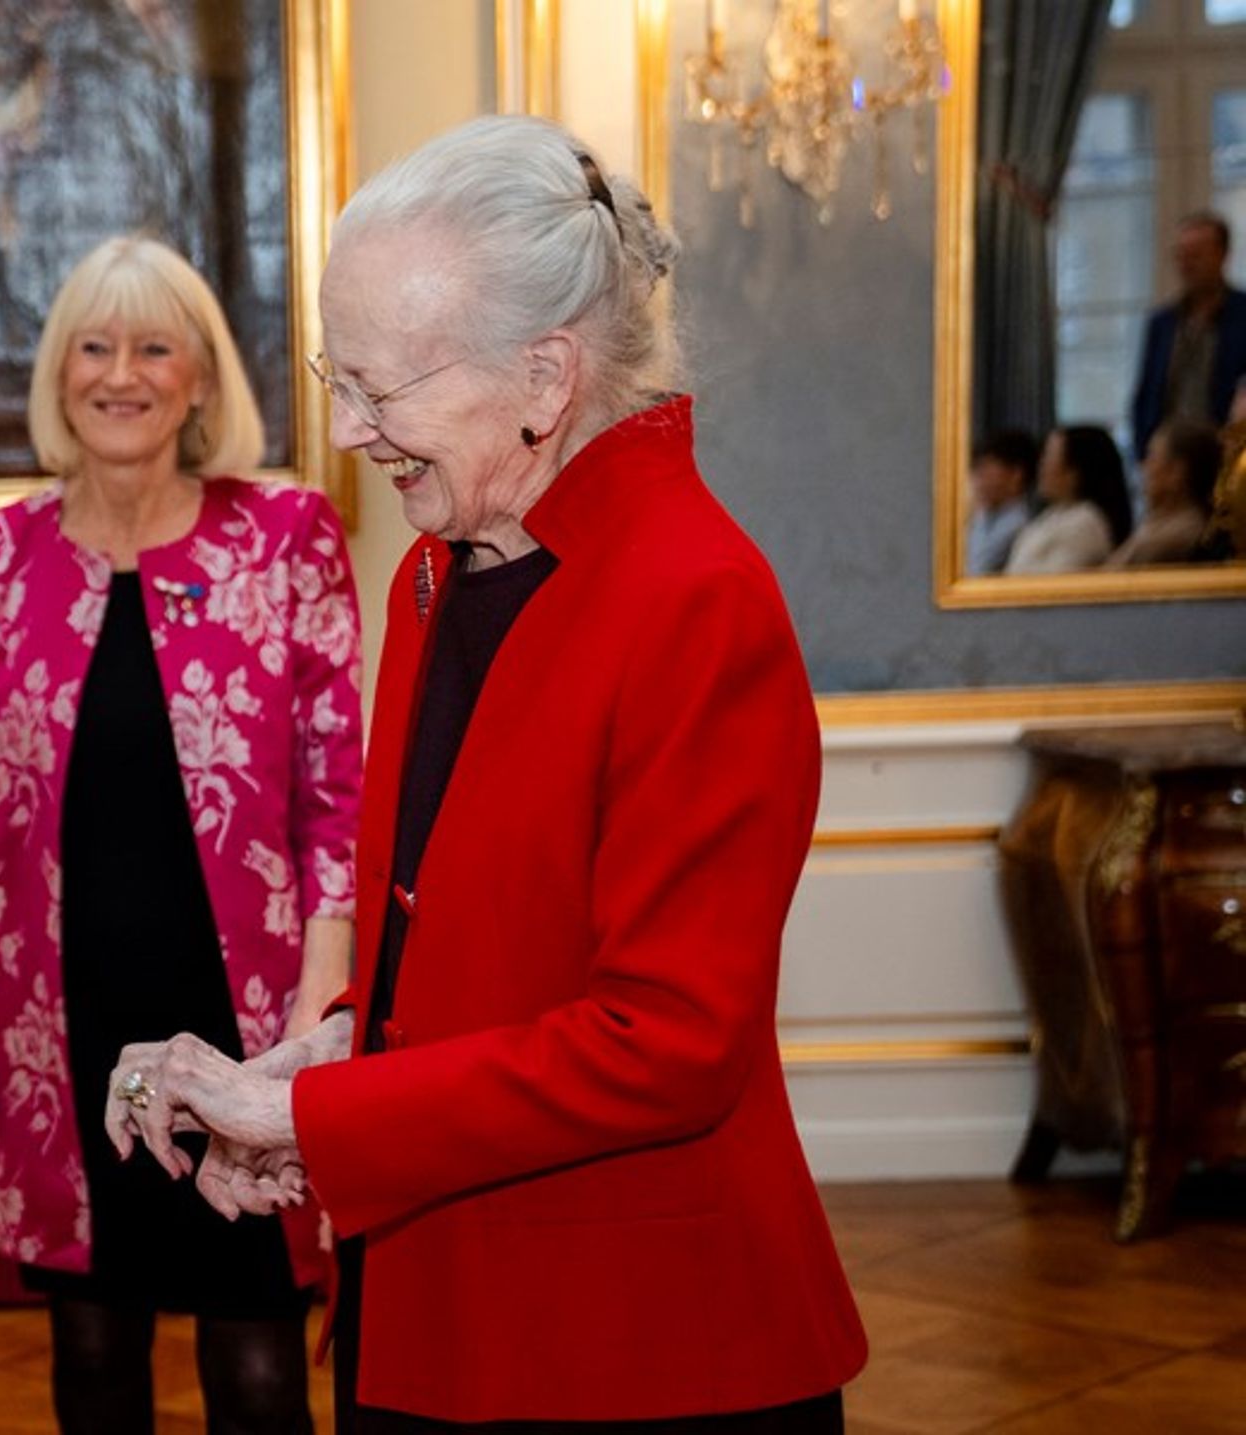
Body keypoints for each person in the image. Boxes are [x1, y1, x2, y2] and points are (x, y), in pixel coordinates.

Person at [102, 117, 867, 1431]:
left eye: (383, 391)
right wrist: (316, 1058)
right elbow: (452, 933)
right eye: (334, 377)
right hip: (439, 1309)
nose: (347, 431)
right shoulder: (433, 573)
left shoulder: (698, 597)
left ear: (546, 375)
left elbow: (667, 1042)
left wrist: (321, 1110)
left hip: (637, 1349)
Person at [0, 235, 361, 1434]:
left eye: (154, 347)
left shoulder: (286, 539)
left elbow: (339, 792)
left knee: (264, 1366)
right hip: (55, 1023)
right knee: (94, 1349)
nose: (122, 374)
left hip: (249, 1014)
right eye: (94, 347)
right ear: (59, 374)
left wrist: (321, 1009)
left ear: (201, 379)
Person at [1130, 212, 1246, 454]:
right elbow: (1146, 394)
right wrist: (1145, 450)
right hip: (1170, 456)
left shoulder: (1241, 316)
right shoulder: (1162, 323)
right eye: (1181, 256)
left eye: (1196, 255)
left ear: (1222, 255)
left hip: (1225, 452)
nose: (1186, 264)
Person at [1006, 425, 1131, 575]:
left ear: (1074, 473)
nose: (1041, 466)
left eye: (1049, 457)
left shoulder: (1085, 525)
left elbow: (1051, 587)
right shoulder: (1052, 515)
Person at [1107, 418, 1221, 566]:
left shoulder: (1170, 538)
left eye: (1152, 457)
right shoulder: (1160, 524)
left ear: (1177, 473)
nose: (1144, 466)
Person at [965, 429, 1038, 575]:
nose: (977, 480)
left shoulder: (1018, 525)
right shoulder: (984, 517)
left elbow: (977, 570)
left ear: (1015, 475)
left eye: (984, 470)